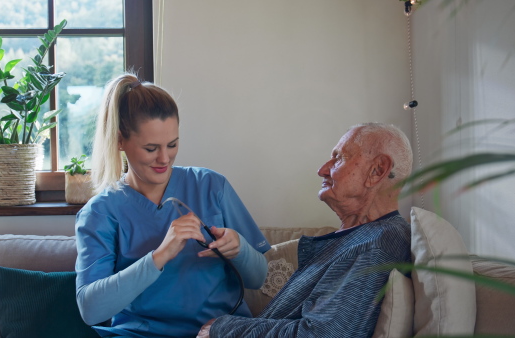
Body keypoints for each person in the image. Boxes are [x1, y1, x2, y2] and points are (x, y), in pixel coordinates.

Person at [75, 73, 271, 338]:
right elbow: (90, 309)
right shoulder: (101, 213)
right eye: (150, 148)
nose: (164, 158)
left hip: (219, 333)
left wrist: (240, 249)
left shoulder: (212, 186)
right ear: (120, 140)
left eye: (172, 144)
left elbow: (259, 279)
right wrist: (160, 255)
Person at [198, 123, 414, 338]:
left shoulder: (375, 245)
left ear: (377, 171)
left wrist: (222, 328)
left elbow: (321, 335)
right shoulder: (362, 237)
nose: (322, 170)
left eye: (339, 158)